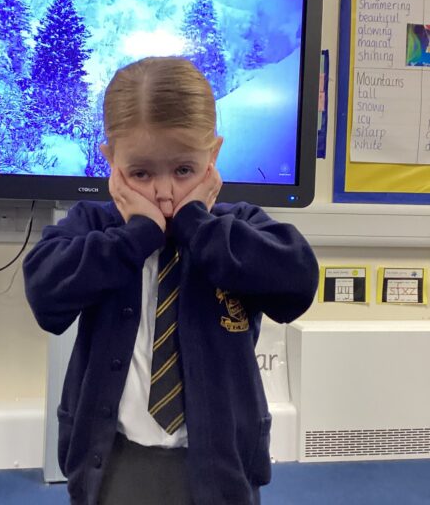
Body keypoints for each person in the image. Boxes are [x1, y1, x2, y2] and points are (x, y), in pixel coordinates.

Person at [23, 57, 319, 505]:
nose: (163, 192)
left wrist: (196, 225)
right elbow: (45, 295)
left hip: (221, 465)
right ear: (111, 160)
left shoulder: (234, 229)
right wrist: (136, 237)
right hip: (113, 460)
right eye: (141, 173)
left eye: (183, 171)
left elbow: (297, 283)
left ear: (212, 156)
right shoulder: (96, 227)